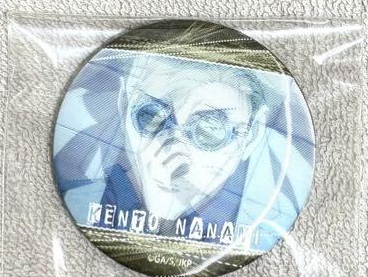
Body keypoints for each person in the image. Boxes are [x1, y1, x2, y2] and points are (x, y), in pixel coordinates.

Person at [59, 57, 311, 251]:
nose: (172, 153)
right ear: (125, 102)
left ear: (251, 135)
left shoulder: (279, 196)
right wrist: (159, 217)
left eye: (209, 131)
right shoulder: (78, 173)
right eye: (151, 117)